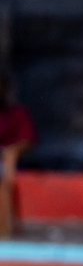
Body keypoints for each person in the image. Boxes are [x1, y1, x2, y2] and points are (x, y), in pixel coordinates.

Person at [0, 71, 36, 238]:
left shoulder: (16, 113)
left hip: (5, 161)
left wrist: (10, 151)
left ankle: (3, 230)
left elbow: (27, 140)